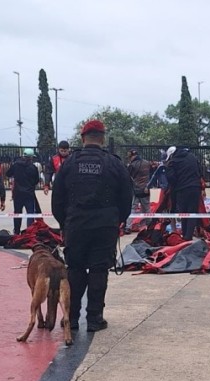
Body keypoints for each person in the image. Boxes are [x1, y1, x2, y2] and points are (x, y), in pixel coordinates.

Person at [51, 119, 132, 332]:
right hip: (105, 225)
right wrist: (117, 220)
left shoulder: (69, 163)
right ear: (102, 138)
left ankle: (72, 318)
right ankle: (95, 318)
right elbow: (126, 197)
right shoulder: (114, 163)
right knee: (99, 270)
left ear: (82, 138)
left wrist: (65, 223)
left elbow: (57, 198)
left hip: (76, 224)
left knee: (75, 269)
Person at [165, 147, 205, 240]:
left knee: (183, 212)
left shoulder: (173, 162)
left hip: (182, 189)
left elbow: (171, 178)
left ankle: (185, 234)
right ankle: (188, 235)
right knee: (192, 212)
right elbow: (200, 171)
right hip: (195, 188)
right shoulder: (192, 157)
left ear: (171, 155)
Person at [6, 148, 40, 235]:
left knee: (17, 213)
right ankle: (29, 232)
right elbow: (36, 181)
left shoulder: (16, 165)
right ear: (31, 157)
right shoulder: (33, 168)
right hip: (29, 194)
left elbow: (8, 174)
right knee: (30, 214)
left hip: (17, 193)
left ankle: (17, 232)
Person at [125, 149, 151, 231]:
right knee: (147, 209)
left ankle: (128, 227)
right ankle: (150, 226)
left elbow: (128, 176)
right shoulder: (147, 163)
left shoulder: (132, 165)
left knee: (132, 209)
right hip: (145, 189)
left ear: (133, 156)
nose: (129, 159)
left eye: (130, 157)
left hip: (136, 190)